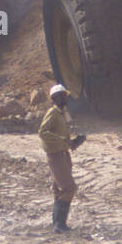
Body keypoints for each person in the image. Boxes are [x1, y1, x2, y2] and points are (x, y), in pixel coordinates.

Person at [38, 83, 85, 232]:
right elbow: (42, 133)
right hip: (55, 155)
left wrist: (73, 142)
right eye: (61, 96)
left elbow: (61, 135)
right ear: (54, 98)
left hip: (63, 154)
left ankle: (58, 223)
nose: (64, 98)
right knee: (69, 188)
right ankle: (60, 225)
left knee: (59, 189)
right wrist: (64, 140)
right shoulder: (53, 113)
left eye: (64, 95)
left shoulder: (62, 113)